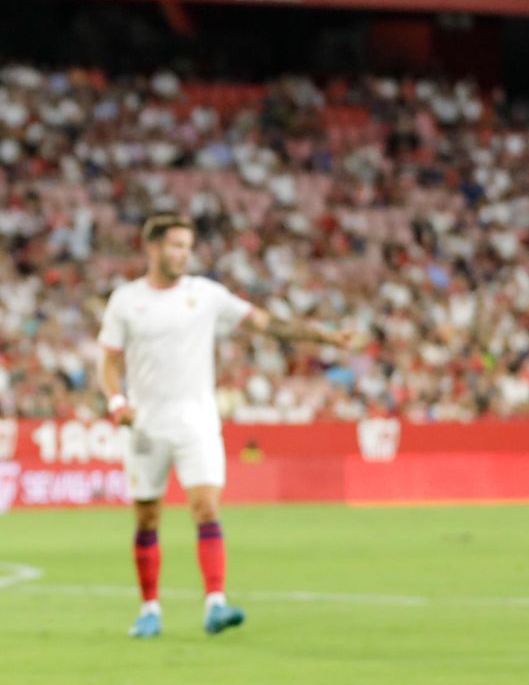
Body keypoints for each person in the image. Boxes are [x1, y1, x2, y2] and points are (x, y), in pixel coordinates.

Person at [98, 212, 356, 639]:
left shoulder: (206, 295)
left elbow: (267, 324)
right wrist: (116, 400)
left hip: (197, 421)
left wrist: (325, 337)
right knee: (147, 517)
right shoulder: (127, 300)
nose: (184, 254)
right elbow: (107, 360)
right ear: (154, 248)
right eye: (176, 245)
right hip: (144, 425)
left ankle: (215, 603)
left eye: (187, 246)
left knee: (206, 507)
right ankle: (150, 609)